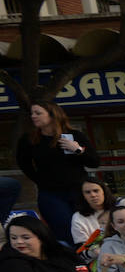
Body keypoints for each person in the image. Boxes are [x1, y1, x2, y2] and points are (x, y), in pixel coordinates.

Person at [15, 101, 100, 238]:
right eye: (32, 113)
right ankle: (70, 258)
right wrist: (40, 180)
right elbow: (23, 163)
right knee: (64, 229)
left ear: (52, 115)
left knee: (87, 230)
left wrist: (77, 150)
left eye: (38, 113)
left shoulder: (75, 136)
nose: (33, 116)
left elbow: (95, 162)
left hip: (79, 191)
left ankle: (90, 257)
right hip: (51, 193)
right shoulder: (29, 139)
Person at [0, 215, 81, 272]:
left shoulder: (63, 253)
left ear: (41, 237)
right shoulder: (10, 262)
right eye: (13, 238)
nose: (19, 242)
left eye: (26, 237)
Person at [70, 178, 121, 251]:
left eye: (96, 191)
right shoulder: (78, 217)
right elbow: (83, 247)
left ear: (104, 192)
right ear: (83, 196)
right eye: (88, 192)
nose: (93, 195)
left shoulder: (119, 208)